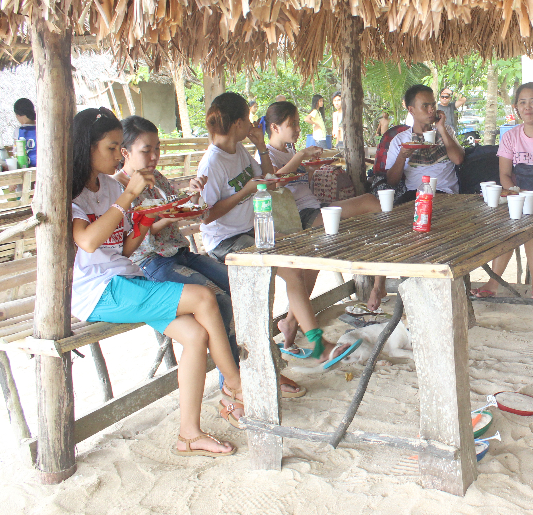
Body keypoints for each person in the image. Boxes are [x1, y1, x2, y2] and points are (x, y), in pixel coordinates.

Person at [70, 107, 240, 457]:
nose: (118, 155)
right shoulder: (71, 194)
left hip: (126, 280)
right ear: (87, 147)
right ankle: (237, 386)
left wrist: (146, 219)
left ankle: (188, 435)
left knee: (195, 336)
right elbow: (87, 242)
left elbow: (124, 248)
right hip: (97, 293)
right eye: (112, 148)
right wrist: (128, 197)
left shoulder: (108, 187)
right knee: (204, 298)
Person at [115, 115, 305, 415]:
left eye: (157, 148)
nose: (154, 156)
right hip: (152, 264)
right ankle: (232, 386)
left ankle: (263, 367)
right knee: (219, 300)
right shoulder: (118, 188)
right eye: (146, 150)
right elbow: (135, 238)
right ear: (125, 152)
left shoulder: (157, 178)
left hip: (181, 253)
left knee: (246, 290)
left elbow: (181, 208)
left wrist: (192, 195)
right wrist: (170, 214)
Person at [196, 92, 357, 367]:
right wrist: (245, 191)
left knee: (299, 261)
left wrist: (260, 147)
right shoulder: (213, 161)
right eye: (248, 119)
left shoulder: (239, 152)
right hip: (225, 240)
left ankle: (308, 338)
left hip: (251, 231)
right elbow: (206, 217)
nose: (253, 124)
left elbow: (270, 179)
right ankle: (314, 344)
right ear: (237, 123)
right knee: (291, 271)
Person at [264, 101, 388, 311]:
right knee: (322, 250)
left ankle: (378, 285)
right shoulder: (267, 154)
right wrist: (301, 156)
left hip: (315, 207)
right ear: (275, 127)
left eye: (297, 123)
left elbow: (301, 185)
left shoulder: (290, 150)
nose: (298, 128)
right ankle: (292, 319)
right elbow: (273, 182)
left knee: (371, 202)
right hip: (299, 215)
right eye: (292, 124)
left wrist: (312, 169)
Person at [470, 82, 533, 301]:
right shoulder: (510, 136)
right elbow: (504, 175)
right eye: (522, 102)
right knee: (514, 220)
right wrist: (518, 195)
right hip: (517, 195)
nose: (527, 107)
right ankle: (494, 282)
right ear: (516, 107)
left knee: (528, 221)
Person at [385, 84, 465, 198]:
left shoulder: (446, 131)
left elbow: (458, 160)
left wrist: (441, 128)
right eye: (425, 106)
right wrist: (402, 156)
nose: (431, 110)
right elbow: (391, 182)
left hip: (446, 195)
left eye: (433, 105)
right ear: (411, 110)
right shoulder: (400, 140)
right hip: (415, 196)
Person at [13, 98, 37, 167]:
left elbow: (16, 152)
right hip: (43, 165)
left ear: (17, 115)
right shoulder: (43, 127)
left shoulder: (18, 130)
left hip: (26, 167)